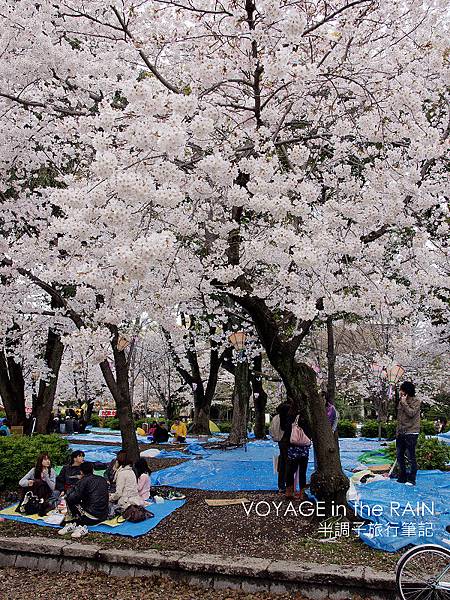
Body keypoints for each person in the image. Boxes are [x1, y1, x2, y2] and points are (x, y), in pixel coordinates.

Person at [59, 461, 109, 538]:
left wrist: (74, 487)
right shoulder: (102, 479)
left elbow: (72, 498)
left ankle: (70, 522)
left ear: (81, 471)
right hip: (103, 515)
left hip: (91, 517)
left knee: (68, 498)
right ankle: (75, 524)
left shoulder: (83, 481)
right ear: (93, 470)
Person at [396, 381, 420, 486]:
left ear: (406, 391)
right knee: (399, 455)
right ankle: (402, 477)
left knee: (411, 457)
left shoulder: (416, 401)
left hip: (411, 432)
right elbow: (399, 418)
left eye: (401, 389)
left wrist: (405, 403)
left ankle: (412, 479)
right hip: (401, 432)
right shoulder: (400, 401)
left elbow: (411, 413)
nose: (399, 392)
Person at [285, 412, 312, 500]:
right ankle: (302, 493)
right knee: (302, 473)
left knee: (290, 472)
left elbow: (287, 437)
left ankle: (289, 491)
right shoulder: (308, 425)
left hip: (293, 452)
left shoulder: (292, 424)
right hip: (304, 452)